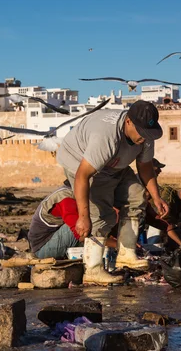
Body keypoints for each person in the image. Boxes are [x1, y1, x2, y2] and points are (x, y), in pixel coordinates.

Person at [56, 100, 169, 285]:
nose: (144, 138)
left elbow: (145, 166)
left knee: (136, 194)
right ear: (128, 122)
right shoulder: (106, 136)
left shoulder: (145, 136)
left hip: (114, 163)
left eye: (148, 134)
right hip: (79, 162)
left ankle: (126, 254)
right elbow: (82, 175)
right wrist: (83, 216)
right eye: (142, 133)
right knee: (101, 214)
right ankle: (93, 270)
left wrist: (156, 197)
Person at [27, 185, 81, 259]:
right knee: (83, 224)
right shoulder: (66, 197)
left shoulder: (69, 191)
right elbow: (79, 231)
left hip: (48, 242)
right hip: (42, 249)